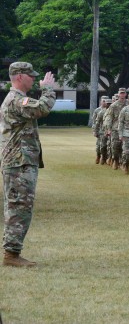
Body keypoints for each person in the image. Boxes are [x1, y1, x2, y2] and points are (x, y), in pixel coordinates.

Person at [1, 62, 56, 267]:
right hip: (18, 163)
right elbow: (42, 108)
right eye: (30, 75)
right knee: (19, 207)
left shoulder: (16, 99)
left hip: (20, 162)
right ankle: (11, 255)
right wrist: (48, 88)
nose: (34, 78)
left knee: (20, 206)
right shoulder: (16, 100)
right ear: (19, 76)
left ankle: (12, 253)